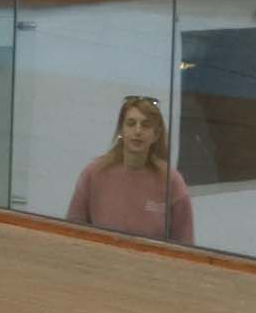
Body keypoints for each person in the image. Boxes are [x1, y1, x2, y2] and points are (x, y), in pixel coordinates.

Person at [65, 95, 195, 244]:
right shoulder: (93, 174)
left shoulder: (172, 182)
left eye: (145, 125)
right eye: (131, 123)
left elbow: (185, 247)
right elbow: (72, 235)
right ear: (121, 130)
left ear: (156, 135)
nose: (138, 131)